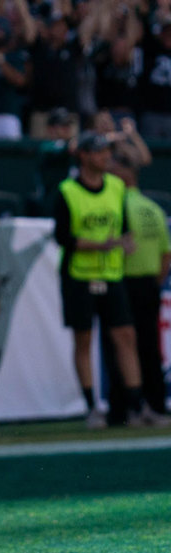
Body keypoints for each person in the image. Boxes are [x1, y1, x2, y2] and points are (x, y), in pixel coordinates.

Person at [53, 132, 169, 428]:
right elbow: (63, 237)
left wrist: (122, 244)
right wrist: (102, 245)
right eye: (99, 152)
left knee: (125, 337)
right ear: (84, 156)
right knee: (84, 338)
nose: (105, 157)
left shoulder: (116, 187)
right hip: (80, 275)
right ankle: (92, 407)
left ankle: (137, 405)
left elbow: (123, 229)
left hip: (113, 275)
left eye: (107, 152)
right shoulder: (68, 191)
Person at [107, 153, 171, 417]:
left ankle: (122, 408)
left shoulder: (116, 206)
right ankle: (156, 402)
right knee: (149, 346)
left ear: (124, 175)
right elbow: (166, 254)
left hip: (123, 283)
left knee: (120, 346)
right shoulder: (153, 208)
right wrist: (155, 282)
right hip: (150, 284)